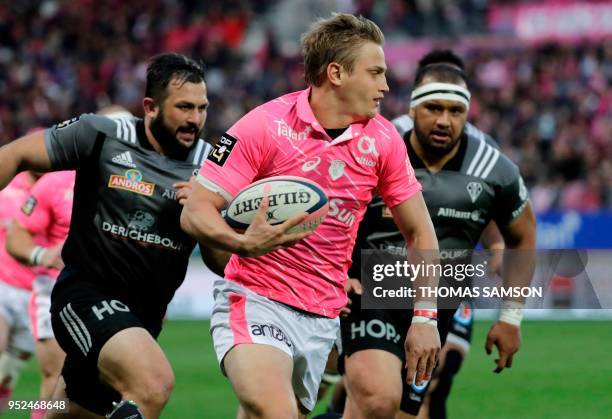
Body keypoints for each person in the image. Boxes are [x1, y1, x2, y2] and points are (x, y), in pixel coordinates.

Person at [181, 13, 441, 419]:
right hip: (255, 299)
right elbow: (196, 210)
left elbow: (421, 233)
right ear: (336, 73)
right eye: (375, 73)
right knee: (275, 411)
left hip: (322, 316)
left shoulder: (383, 140)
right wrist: (243, 243)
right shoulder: (264, 126)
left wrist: (425, 318)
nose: (385, 86)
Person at [0, 52, 212, 419]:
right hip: (82, 295)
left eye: (202, 108)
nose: (195, 119)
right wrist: (38, 256)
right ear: (151, 107)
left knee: (69, 409)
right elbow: (16, 154)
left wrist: (204, 213)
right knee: (152, 384)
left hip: (143, 315)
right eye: (184, 107)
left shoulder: (212, 165)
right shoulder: (100, 136)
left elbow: (220, 261)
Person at [340, 62, 536, 419]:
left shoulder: (495, 170)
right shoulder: (376, 152)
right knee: (378, 399)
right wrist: (340, 273)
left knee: (395, 413)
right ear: (413, 108)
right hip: (370, 295)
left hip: (436, 307)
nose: (445, 120)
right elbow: (338, 216)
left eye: (456, 111)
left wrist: (511, 318)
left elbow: (523, 237)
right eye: (434, 108)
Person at [6, 170, 74, 419]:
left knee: (87, 394)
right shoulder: (54, 184)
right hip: (45, 289)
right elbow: (17, 235)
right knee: (56, 380)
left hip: (102, 294)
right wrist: (43, 256)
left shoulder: (117, 177)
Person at [0, 170, 39, 413]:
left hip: (37, 296)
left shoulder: (66, 189)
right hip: (2, 285)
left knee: (6, 377)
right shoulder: (7, 184)